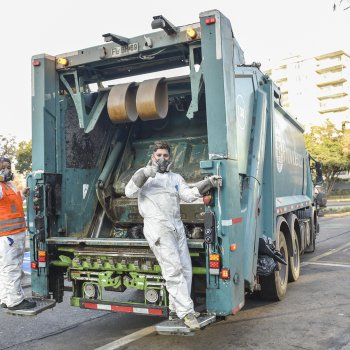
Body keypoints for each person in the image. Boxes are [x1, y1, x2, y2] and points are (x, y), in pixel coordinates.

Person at [125, 141, 221, 330]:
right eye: (158, 155)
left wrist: (207, 183)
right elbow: (129, 192)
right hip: (158, 229)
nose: (162, 159)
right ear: (153, 156)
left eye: (165, 156)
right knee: (173, 271)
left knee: (186, 269)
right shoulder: (145, 177)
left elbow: (188, 195)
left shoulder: (175, 178)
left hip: (176, 228)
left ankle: (176, 310)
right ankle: (187, 313)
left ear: (170, 158)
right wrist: (144, 173)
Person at [0, 157, 36, 311]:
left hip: (14, 234)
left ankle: (5, 298)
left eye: (9, 166)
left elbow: (11, 203)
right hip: (9, 235)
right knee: (12, 268)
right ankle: (15, 301)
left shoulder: (8, 185)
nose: (8, 170)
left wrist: (22, 194)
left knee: (6, 268)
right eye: (4, 167)